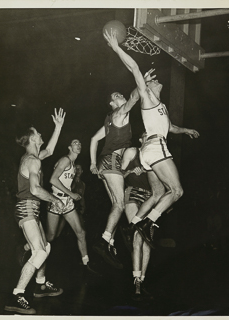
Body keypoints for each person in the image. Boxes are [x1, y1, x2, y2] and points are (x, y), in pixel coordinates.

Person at [104, 30, 200, 249]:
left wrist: (185, 130)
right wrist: (117, 48)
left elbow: (171, 127)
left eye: (156, 81)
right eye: (153, 81)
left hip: (149, 151)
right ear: (148, 89)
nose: (157, 81)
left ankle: (133, 224)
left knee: (157, 193)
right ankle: (148, 223)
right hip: (155, 148)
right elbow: (135, 69)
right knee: (176, 191)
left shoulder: (161, 108)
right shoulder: (147, 98)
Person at [90, 70, 155, 269]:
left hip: (106, 162)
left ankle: (109, 242)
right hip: (111, 161)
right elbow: (135, 97)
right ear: (112, 104)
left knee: (115, 205)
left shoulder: (109, 121)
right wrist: (141, 81)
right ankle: (104, 241)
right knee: (119, 204)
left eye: (120, 94)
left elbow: (93, 139)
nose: (120, 96)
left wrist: (93, 164)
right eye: (116, 96)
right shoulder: (119, 113)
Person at [4, 108, 66, 315]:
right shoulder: (32, 161)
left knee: (45, 247)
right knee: (39, 251)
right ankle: (16, 294)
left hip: (31, 209)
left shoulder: (33, 157)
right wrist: (55, 199)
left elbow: (48, 151)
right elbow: (34, 189)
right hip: (26, 209)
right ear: (32, 138)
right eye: (38, 133)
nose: (41, 135)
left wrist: (58, 127)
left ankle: (40, 284)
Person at [121, 133, 166, 300]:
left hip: (150, 198)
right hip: (132, 193)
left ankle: (142, 280)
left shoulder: (157, 158)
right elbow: (119, 176)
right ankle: (136, 282)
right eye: (146, 136)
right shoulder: (132, 152)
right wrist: (132, 170)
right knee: (137, 237)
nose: (150, 138)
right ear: (141, 140)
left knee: (147, 242)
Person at [46, 140, 99, 275]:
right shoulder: (65, 160)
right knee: (51, 236)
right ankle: (28, 247)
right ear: (69, 147)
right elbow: (53, 179)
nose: (79, 144)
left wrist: (71, 195)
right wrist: (72, 194)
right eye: (75, 143)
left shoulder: (73, 165)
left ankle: (86, 263)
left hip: (67, 201)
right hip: (56, 200)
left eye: (80, 143)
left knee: (81, 232)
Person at [71, 164, 86, 229]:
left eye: (79, 169)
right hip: (69, 207)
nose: (78, 171)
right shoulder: (70, 182)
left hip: (77, 208)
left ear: (82, 171)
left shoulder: (83, 184)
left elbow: (82, 197)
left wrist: (83, 207)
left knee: (81, 226)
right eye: (76, 169)